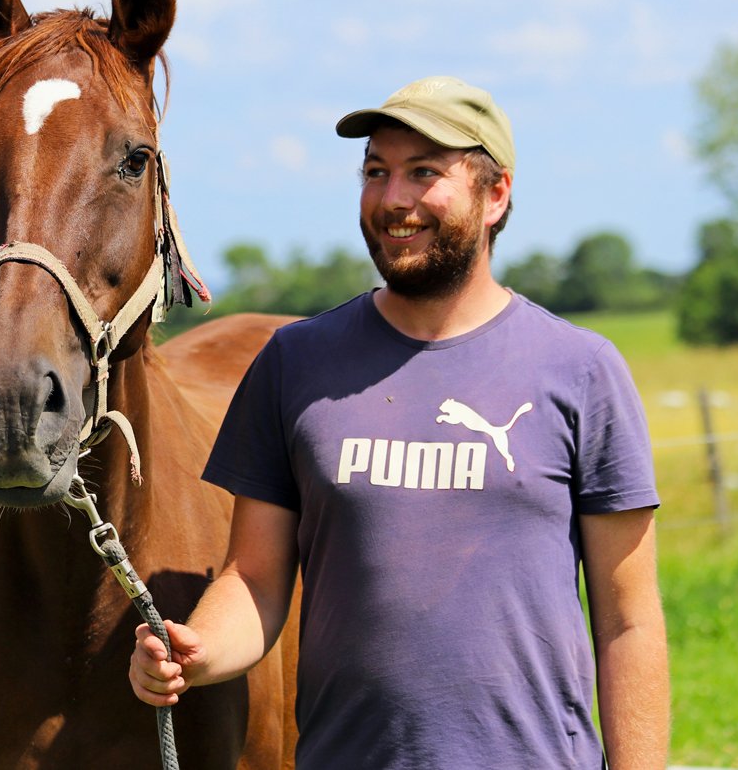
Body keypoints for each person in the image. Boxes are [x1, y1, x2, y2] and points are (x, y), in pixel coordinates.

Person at [129, 76, 669, 768]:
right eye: (376, 172)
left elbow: (629, 622)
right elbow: (255, 580)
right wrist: (197, 651)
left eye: (423, 173)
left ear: (495, 194)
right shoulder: (295, 364)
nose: (393, 200)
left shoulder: (581, 371)